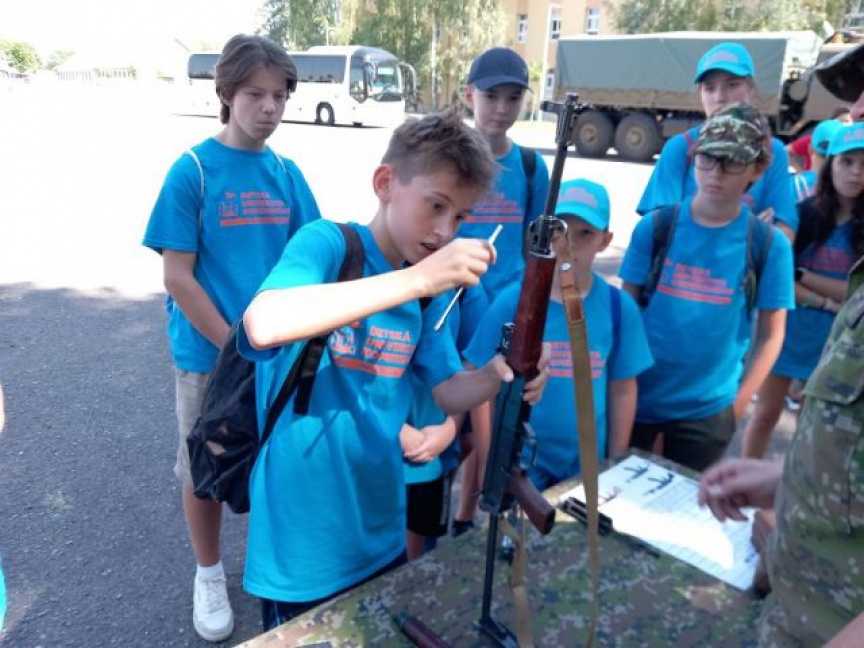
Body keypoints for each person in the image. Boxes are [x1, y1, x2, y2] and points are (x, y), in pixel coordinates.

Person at [238, 109, 551, 631]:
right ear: (385, 183)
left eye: (460, 217)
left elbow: (445, 391)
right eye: (436, 205)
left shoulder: (426, 290)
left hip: (381, 529)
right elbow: (263, 324)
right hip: (303, 541)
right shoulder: (329, 245)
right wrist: (418, 280)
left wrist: (497, 375)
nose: (445, 230)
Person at [142, 34, 321, 642]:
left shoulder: (287, 175)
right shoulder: (192, 171)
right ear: (225, 93)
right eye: (254, 94)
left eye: (279, 96)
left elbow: (315, 258)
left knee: (275, 460)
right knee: (205, 467)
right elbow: (178, 276)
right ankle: (209, 572)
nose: (269, 108)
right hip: (210, 356)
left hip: (278, 354)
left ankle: (276, 566)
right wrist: (235, 348)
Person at [620, 103, 794, 472]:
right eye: (708, 158)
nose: (716, 173)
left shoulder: (768, 245)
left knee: (685, 504)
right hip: (636, 395)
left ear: (757, 169)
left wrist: (737, 405)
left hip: (708, 409)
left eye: (732, 162)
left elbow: (771, 334)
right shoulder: (656, 228)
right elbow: (625, 311)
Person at [463, 179, 654, 490]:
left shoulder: (619, 308)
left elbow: (622, 388)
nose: (569, 244)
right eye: (559, 230)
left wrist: (616, 462)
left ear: (605, 240)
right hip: (521, 463)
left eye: (585, 233)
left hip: (587, 464)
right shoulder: (514, 302)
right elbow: (476, 378)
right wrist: (489, 459)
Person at [453, 46, 551, 531]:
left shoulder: (531, 168)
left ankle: (468, 514)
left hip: (507, 306)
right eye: (492, 96)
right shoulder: (449, 157)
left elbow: (537, 248)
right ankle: (443, 510)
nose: (501, 108)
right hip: (454, 306)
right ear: (469, 94)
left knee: (493, 414)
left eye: (513, 98)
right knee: (453, 415)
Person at [741, 122, 864, 459]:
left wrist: (804, 276)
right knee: (763, 416)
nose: (855, 173)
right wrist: (826, 299)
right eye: (847, 162)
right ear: (830, 164)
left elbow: (856, 294)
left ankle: (788, 488)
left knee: (812, 427)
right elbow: (778, 284)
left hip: (837, 343)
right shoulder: (803, 215)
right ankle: (743, 482)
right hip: (786, 333)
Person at [637, 43, 797, 239]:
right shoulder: (680, 147)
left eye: (732, 85)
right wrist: (748, 234)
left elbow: (785, 230)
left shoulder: (773, 150)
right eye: (710, 88)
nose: (720, 97)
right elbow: (658, 231)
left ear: (751, 89)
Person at [401, 283, 488, 558]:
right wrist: (395, 429)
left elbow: (470, 367)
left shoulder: (465, 288)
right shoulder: (364, 273)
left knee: (415, 560)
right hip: (372, 456)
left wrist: (450, 428)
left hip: (431, 453)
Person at [786, 106, 851, 173]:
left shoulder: (852, 146)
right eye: (842, 121)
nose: (844, 125)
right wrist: (799, 171)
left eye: (848, 122)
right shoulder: (811, 140)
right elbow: (785, 151)